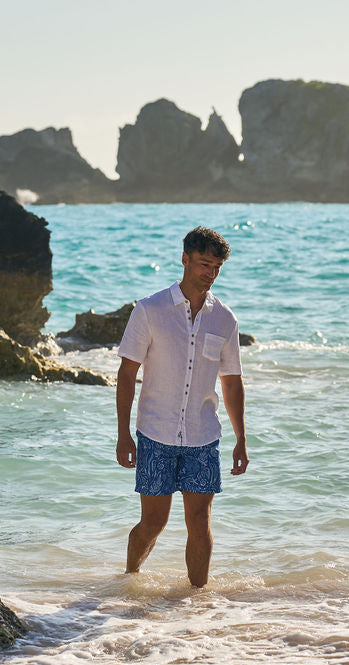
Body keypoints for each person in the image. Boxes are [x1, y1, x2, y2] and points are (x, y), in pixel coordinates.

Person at [116, 226, 248, 587]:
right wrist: (123, 435)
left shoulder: (225, 318)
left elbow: (232, 380)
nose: (210, 273)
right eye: (204, 264)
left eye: (217, 267)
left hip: (203, 436)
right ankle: (128, 581)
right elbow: (127, 374)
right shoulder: (149, 310)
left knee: (200, 521)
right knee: (153, 523)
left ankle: (197, 601)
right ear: (185, 259)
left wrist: (241, 439)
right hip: (155, 434)